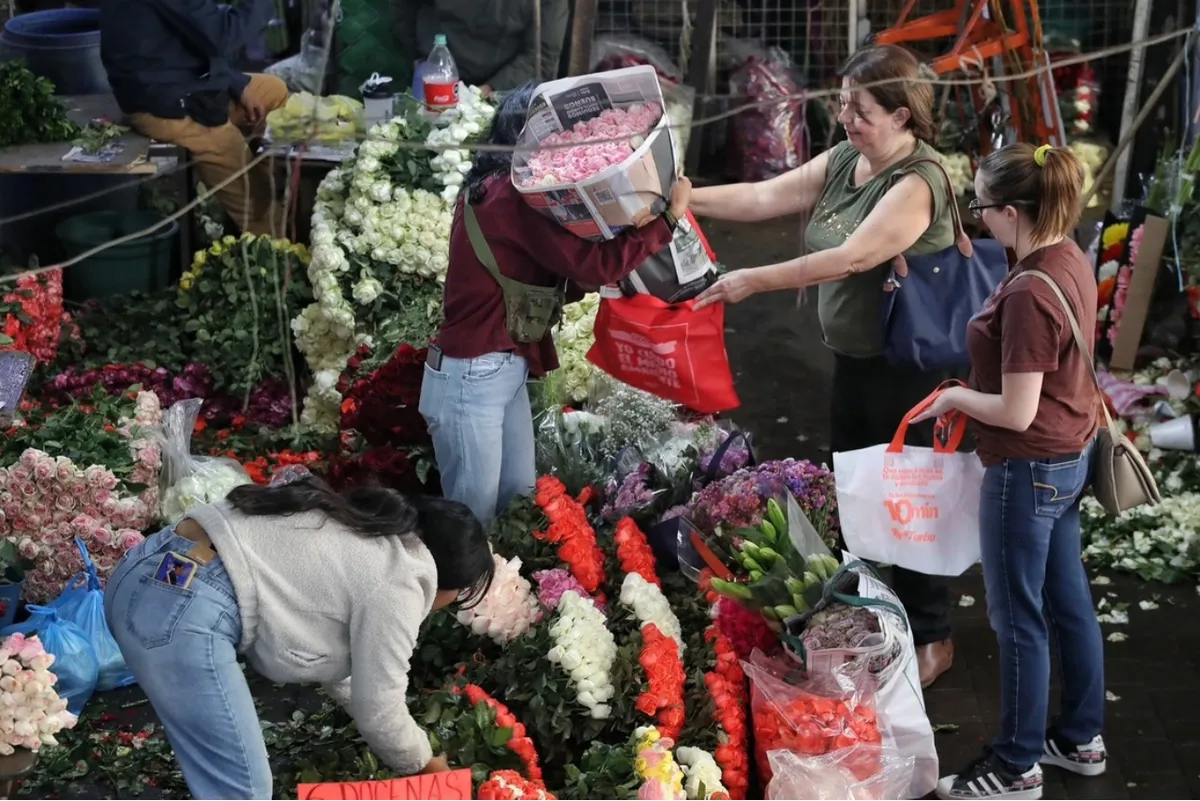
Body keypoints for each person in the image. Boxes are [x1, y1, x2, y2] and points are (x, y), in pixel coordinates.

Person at [688, 44, 956, 686]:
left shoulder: (919, 182)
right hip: (856, 361)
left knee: (906, 497)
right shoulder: (847, 160)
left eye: (860, 109)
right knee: (857, 492)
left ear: (902, 115)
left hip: (910, 371)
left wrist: (753, 279)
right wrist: (686, 196)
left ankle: (935, 635)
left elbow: (855, 257)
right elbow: (762, 198)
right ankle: (863, 615)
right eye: (842, 104)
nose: (844, 118)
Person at [104, 477, 494, 799]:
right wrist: (427, 764)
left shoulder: (365, 529)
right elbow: (380, 707)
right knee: (244, 789)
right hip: (180, 608)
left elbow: (354, 679)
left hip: (149, 568)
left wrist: (414, 754)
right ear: (452, 584)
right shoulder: (403, 580)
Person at [913, 144, 1103, 801]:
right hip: (1069, 456)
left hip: (1027, 470)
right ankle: (1080, 736)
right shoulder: (1067, 256)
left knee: (1018, 617)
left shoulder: (1027, 293)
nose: (979, 219)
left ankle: (1017, 764)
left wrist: (955, 397)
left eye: (984, 209)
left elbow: (1017, 412)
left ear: (1014, 211)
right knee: (1068, 601)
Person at [420, 85, 691, 526]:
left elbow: (547, 272)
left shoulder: (490, 188)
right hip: (473, 376)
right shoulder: (510, 198)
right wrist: (668, 220)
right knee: (471, 525)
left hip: (497, 370)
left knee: (518, 499)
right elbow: (596, 265)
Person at [99, 0, 288, 235]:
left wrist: (236, 83)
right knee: (258, 201)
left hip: (186, 80)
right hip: (166, 101)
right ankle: (267, 228)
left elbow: (198, 28)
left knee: (273, 92)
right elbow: (222, 35)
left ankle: (273, 193)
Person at [397, 0, 570, 95]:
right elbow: (404, 11)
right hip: (438, 78)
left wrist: (486, 92)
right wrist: (419, 57)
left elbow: (542, 55)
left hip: (504, 90)